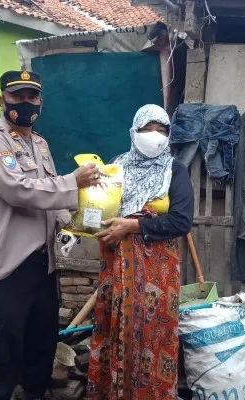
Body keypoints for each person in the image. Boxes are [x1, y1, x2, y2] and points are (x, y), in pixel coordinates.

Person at [0, 70, 100, 400]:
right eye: (17, 97)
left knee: (39, 354)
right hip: (10, 270)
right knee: (0, 359)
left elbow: (53, 205)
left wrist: (70, 236)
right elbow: (19, 191)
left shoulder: (40, 144)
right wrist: (73, 182)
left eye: (32, 96)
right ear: (3, 100)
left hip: (44, 269)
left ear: (41, 101)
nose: (25, 103)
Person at [87, 104, 194, 399]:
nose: (155, 136)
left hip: (156, 279)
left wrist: (131, 226)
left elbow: (181, 221)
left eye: (162, 130)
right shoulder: (116, 167)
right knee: (114, 330)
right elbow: (99, 207)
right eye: (148, 129)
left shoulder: (175, 170)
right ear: (134, 132)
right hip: (117, 267)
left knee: (153, 336)